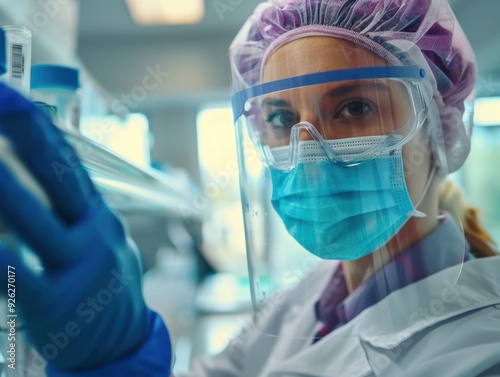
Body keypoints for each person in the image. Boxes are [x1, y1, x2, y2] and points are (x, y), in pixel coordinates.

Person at [0, 0, 499, 376]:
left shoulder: (481, 349)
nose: (308, 154)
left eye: (354, 108)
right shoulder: (306, 298)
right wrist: (120, 357)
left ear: (438, 123)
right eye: (281, 118)